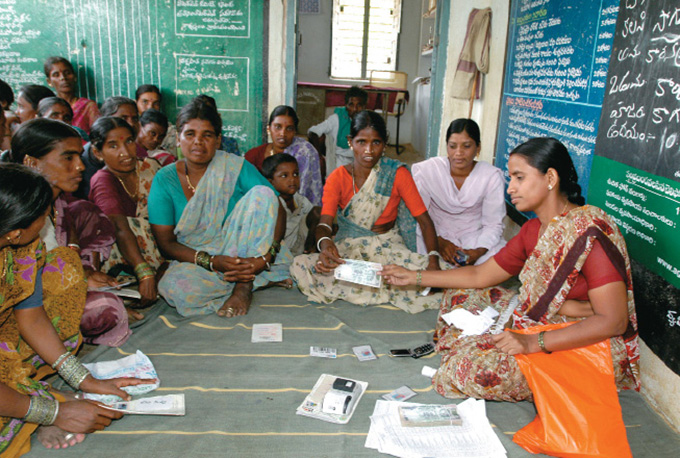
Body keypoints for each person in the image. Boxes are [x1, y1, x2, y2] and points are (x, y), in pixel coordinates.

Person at [381, 137, 640, 401]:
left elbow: (613, 321)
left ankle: (472, 350)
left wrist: (533, 342)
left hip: (585, 343)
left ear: (550, 178)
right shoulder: (533, 229)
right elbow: (480, 275)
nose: (510, 188)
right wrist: (415, 276)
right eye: (511, 178)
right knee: (458, 295)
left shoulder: (589, 232)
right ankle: (477, 345)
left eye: (519, 178)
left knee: (471, 372)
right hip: (540, 321)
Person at [0, 163, 153, 455]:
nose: (50, 221)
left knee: (65, 266)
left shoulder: (23, 248)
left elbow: (31, 316)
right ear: (15, 232)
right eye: (46, 216)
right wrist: (53, 413)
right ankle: (32, 402)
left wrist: (84, 379)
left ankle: (30, 392)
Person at [148, 100, 292, 317]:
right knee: (174, 288)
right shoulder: (164, 180)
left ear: (218, 140)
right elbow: (166, 243)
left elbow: (276, 208)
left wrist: (266, 258)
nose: (198, 142)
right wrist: (212, 262)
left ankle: (243, 287)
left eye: (207, 135)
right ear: (178, 138)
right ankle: (257, 279)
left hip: (243, 252)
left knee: (263, 194)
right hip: (198, 259)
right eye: (190, 134)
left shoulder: (235, 166)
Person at [291, 111, 444, 313]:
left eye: (376, 143)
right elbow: (325, 223)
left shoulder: (396, 173)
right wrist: (326, 245)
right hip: (350, 248)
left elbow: (424, 221)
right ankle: (379, 284)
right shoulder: (338, 177)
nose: (369, 150)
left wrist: (433, 261)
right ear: (350, 142)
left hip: (388, 247)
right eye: (361, 142)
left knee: (441, 274)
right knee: (301, 265)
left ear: (385, 144)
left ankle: (373, 284)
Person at [10, 118, 132, 347]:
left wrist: (85, 272)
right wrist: (78, 281)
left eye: (79, 156)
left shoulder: (58, 202)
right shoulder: (16, 211)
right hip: (25, 306)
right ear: (32, 163)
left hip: (54, 288)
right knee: (107, 309)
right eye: (68, 158)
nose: (80, 166)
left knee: (88, 213)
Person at [88, 117, 164, 307]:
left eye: (129, 141)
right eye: (113, 146)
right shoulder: (103, 180)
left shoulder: (150, 167)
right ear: (98, 153)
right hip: (127, 259)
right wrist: (144, 272)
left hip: (164, 249)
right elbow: (118, 227)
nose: (125, 152)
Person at [412, 118, 506, 266]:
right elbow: (419, 216)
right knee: (420, 255)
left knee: (498, 257)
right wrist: (438, 241)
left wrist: (477, 252)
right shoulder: (428, 171)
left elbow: (493, 224)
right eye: (452, 146)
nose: (458, 153)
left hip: (474, 236)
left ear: (478, 147)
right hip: (434, 232)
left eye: (466, 146)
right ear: (446, 146)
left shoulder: (490, 176)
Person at [245, 105, 323, 205]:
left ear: (295, 131)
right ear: (268, 129)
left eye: (289, 128)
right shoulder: (253, 155)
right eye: (278, 127)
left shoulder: (304, 153)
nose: (283, 133)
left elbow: (304, 194)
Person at [262, 153, 320, 256]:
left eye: (295, 174)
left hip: (299, 247)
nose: (292, 179)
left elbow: (316, 217)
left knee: (317, 212)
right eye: (284, 176)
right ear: (271, 182)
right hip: (278, 252)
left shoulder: (300, 200)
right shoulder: (270, 203)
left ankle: (309, 250)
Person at [308, 86, 368, 176]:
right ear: (346, 105)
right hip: (339, 161)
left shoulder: (368, 121)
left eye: (359, 105)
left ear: (364, 106)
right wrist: (318, 156)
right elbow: (313, 132)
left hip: (360, 160)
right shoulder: (337, 119)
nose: (355, 109)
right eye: (351, 105)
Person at [43, 56, 100, 134]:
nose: (63, 78)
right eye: (56, 75)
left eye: (67, 73)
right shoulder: (47, 108)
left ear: (75, 77)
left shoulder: (88, 106)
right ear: (49, 82)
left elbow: (98, 135)